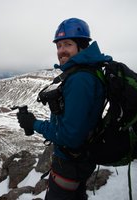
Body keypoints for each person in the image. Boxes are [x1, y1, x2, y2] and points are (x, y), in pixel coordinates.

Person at [16, 18, 112, 199]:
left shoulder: (80, 79)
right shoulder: (84, 71)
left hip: (70, 164)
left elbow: (70, 136)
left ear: (82, 45)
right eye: (59, 46)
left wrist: (34, 123)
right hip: (79, 160)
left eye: (67, 44)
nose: (61, 51)